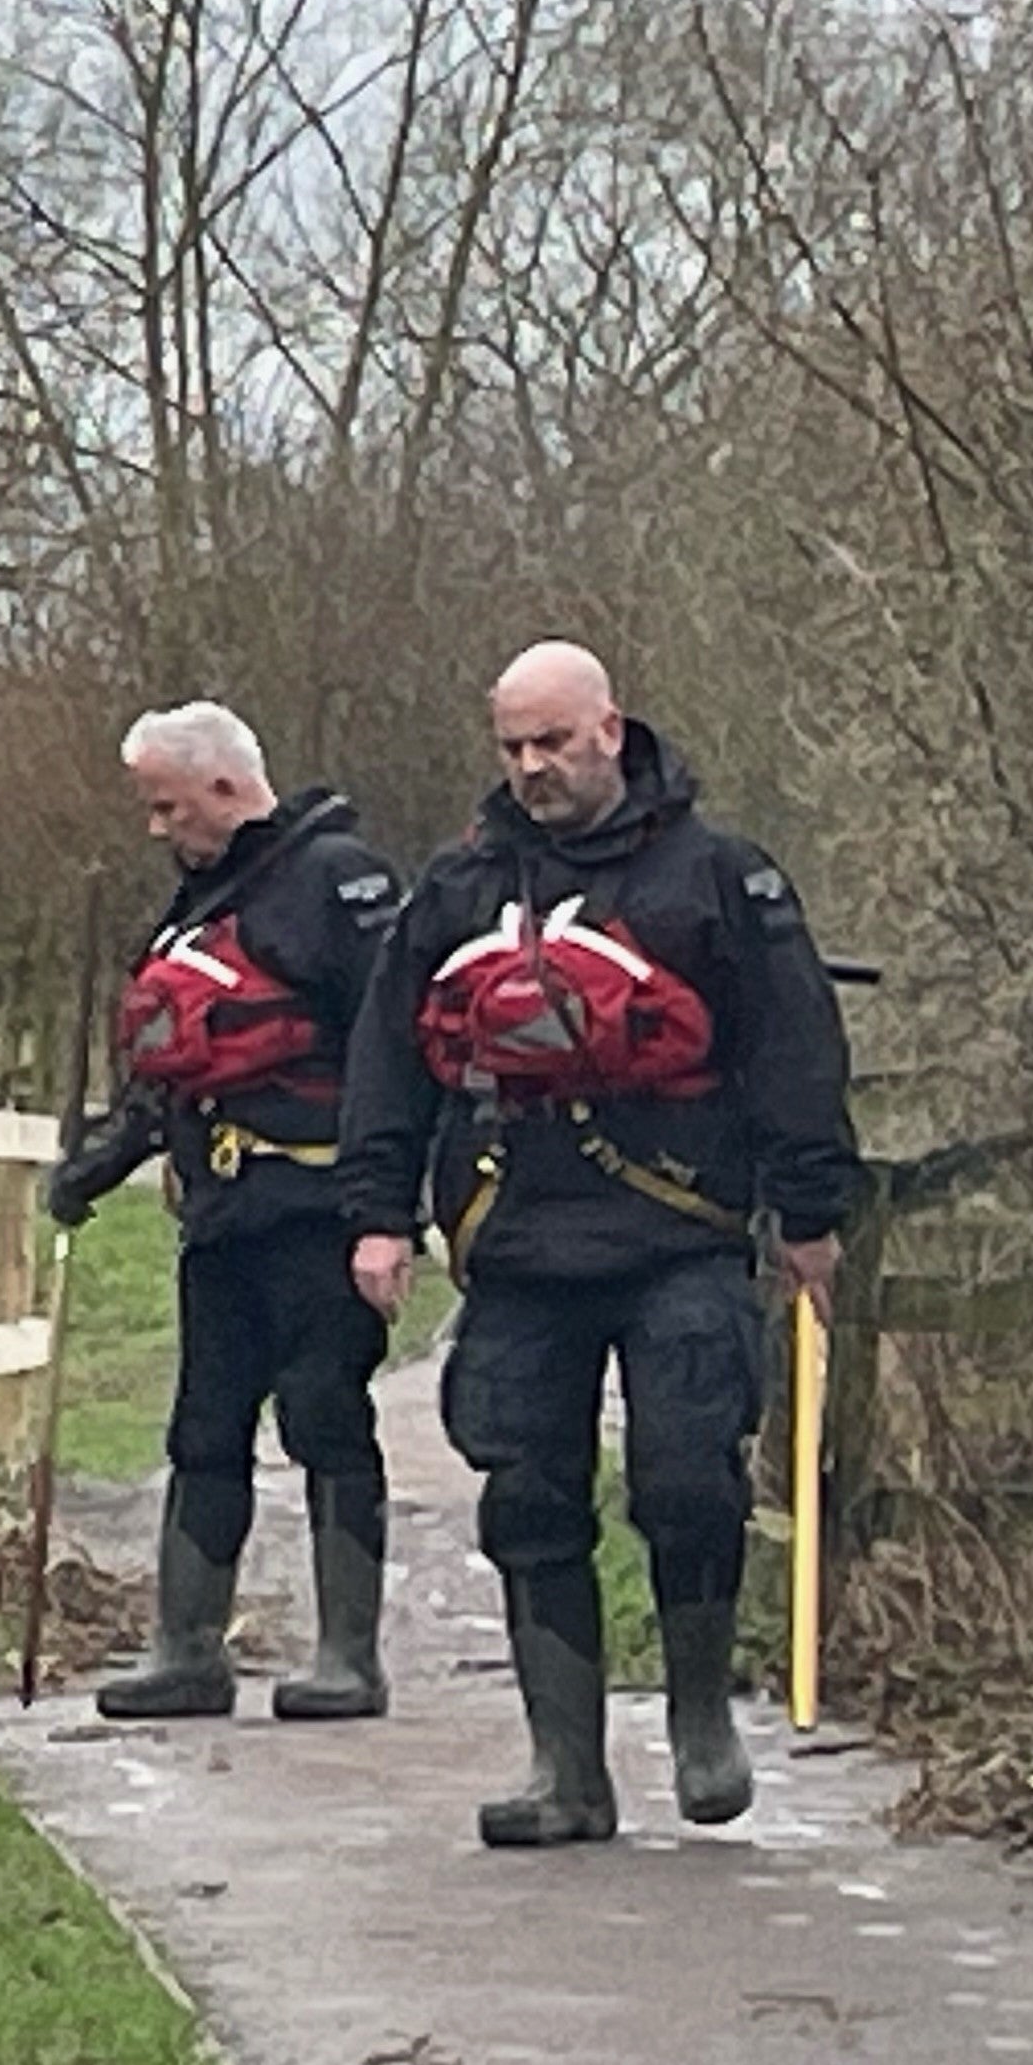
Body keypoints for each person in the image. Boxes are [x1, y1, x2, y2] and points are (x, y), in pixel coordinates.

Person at [334, 642, 858, 1846]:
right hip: (518, 1242)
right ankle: (566, 1771)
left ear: (610, 730)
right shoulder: (459, 891)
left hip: (683, 1228)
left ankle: (699, 1726)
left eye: (553, 743)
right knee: (526, 1493)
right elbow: (386, 1060)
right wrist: (377, 1212)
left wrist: (812, 1214)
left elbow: (793, 1046)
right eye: (513, 747)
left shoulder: (719, 878)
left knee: (686, 1474)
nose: (532, 768)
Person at [47, 702, 405, 1720]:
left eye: (166, 807)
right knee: (204, 1427)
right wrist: (101, 1165)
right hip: (223, 1216)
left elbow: (396, 1049)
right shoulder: (194, 911)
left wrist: (391, 1207)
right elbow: (170, 1074)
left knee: (325, 1416)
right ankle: (187, 1651)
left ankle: (348, 1657)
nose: (158, 829)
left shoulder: (340, 886)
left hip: (320, 1210)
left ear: (220, 788)